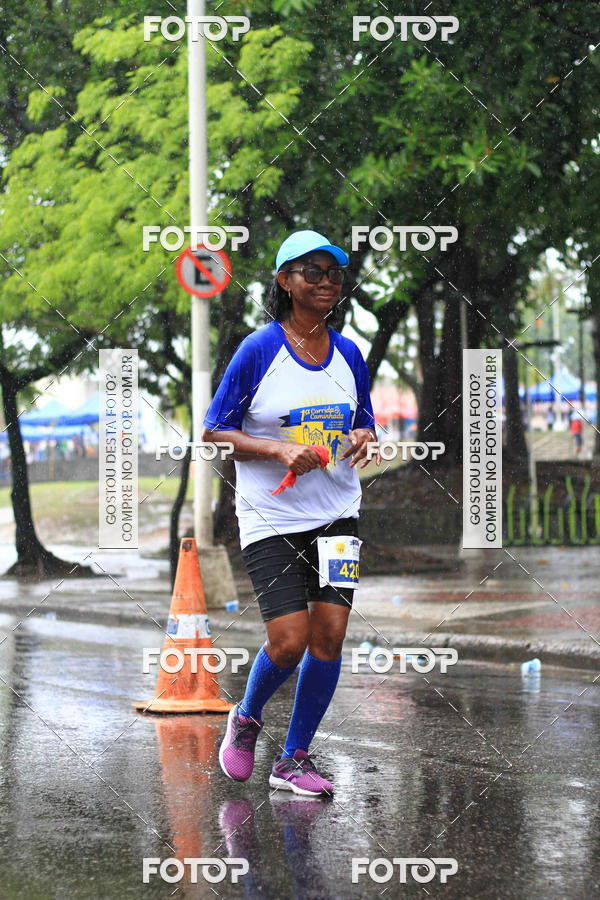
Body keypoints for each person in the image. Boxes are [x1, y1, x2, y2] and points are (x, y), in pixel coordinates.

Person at [202, 229, 380, 797]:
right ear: (285, 281)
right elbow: (213, 430)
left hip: (338, 514)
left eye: (334, 273)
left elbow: (365, 421)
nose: (327, 282)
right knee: (289, 640)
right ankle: (248, 717)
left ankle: (294, 759)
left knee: (330, 635)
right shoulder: (259, 350)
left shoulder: (349, 353)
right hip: (271, 518)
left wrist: (364, 438)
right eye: (313, 272)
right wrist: (278, 448)